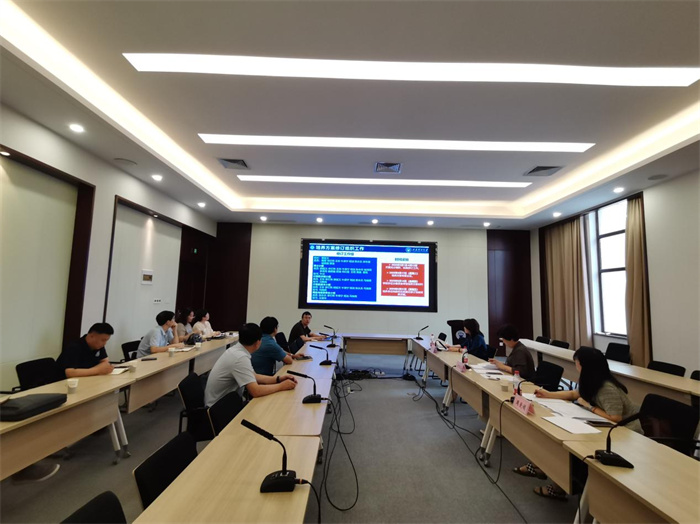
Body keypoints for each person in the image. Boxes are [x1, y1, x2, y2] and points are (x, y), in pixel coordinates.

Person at [514, 346, 642, 500]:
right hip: (603, 425)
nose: (576, 365)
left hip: (624, 434)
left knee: (571, 444)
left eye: (577, 362)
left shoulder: (606, 387)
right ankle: (544, 467)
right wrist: (548, 394)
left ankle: (558, 484)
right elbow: (573, 394)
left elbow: (615, 418)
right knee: (558, 435)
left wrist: (589, 407)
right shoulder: (592, 380)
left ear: (585, 365)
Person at [204, 323, 297, 406]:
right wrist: (281, 386)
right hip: (218, 408)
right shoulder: (240, 358)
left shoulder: (238, 350)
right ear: (258, 342)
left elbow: (254, 376)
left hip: (225, 402)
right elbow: (255, 391)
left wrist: (278, 379)